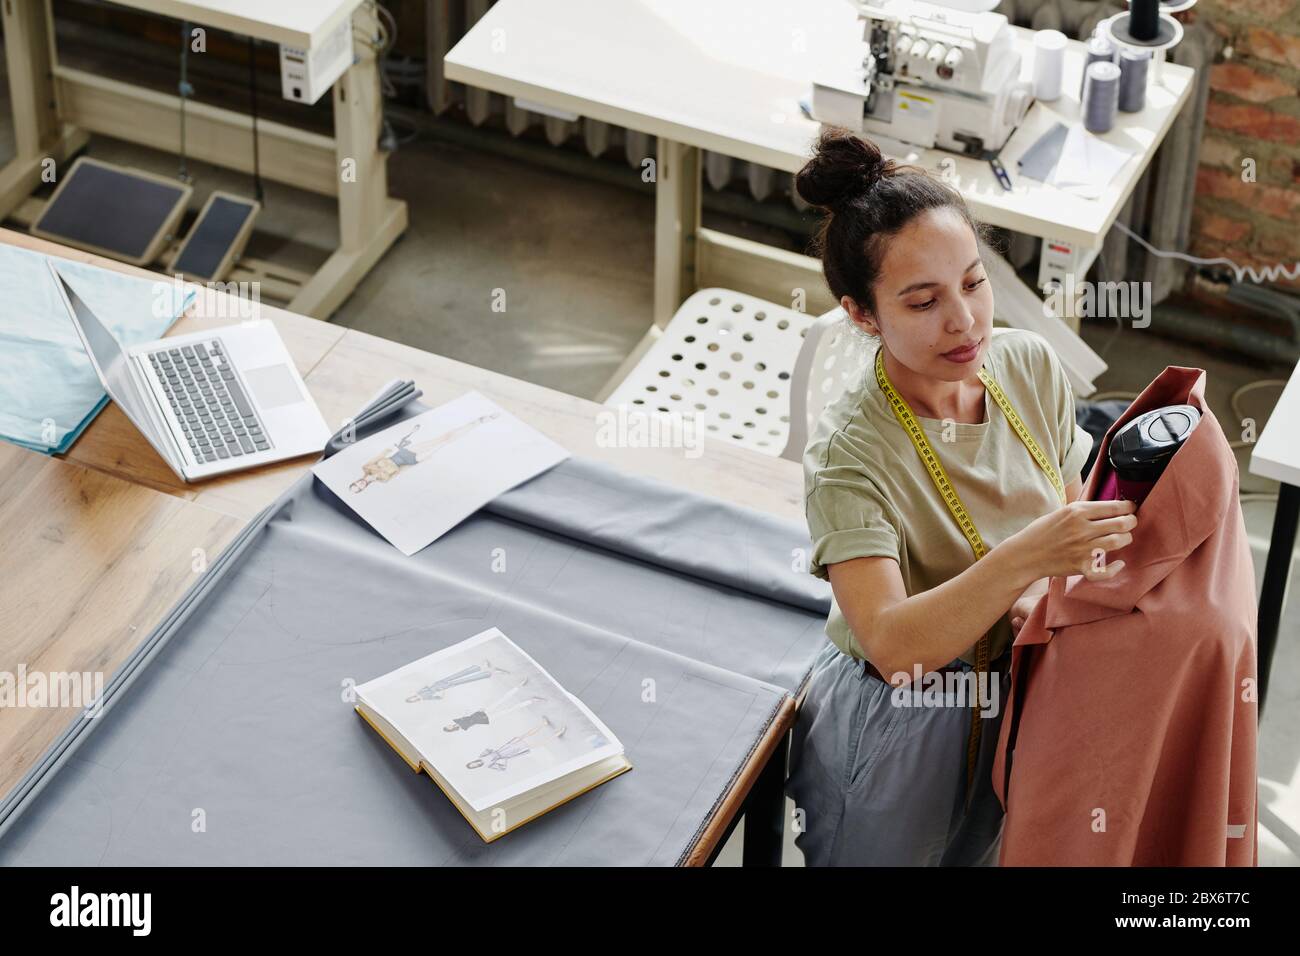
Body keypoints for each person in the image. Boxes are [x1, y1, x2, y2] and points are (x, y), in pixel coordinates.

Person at [785, 128, 1138, 866]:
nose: (965, 322)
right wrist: (1024, 562)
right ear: (861, 314)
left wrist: (1047, 585)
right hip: (900, 724)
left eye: (974, 283)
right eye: (923, 302)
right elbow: (893, 646)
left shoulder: (1030, 367)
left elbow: (1074, 525)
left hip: (1022, 691)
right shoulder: (850, 453)